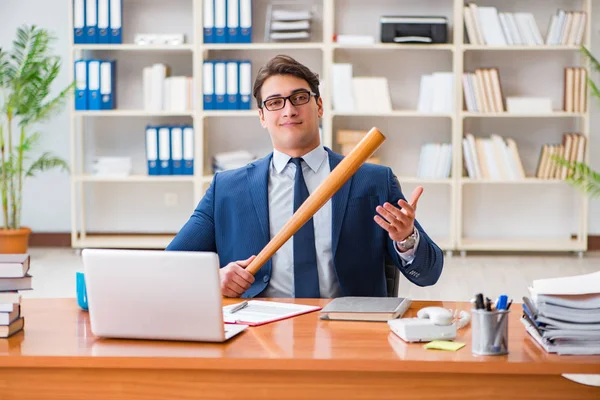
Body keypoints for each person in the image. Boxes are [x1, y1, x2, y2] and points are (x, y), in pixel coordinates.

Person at [166, 55, 443, 298]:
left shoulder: (372, 180)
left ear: (319, 106)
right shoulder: (227, 188)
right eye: (275, 102)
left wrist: (406, 238)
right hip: (259, 334)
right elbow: (170, 266)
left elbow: (429, 273)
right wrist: (214, 278)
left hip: (349, 331)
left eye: (299, 98)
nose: (289, 110)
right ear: (262, 116)